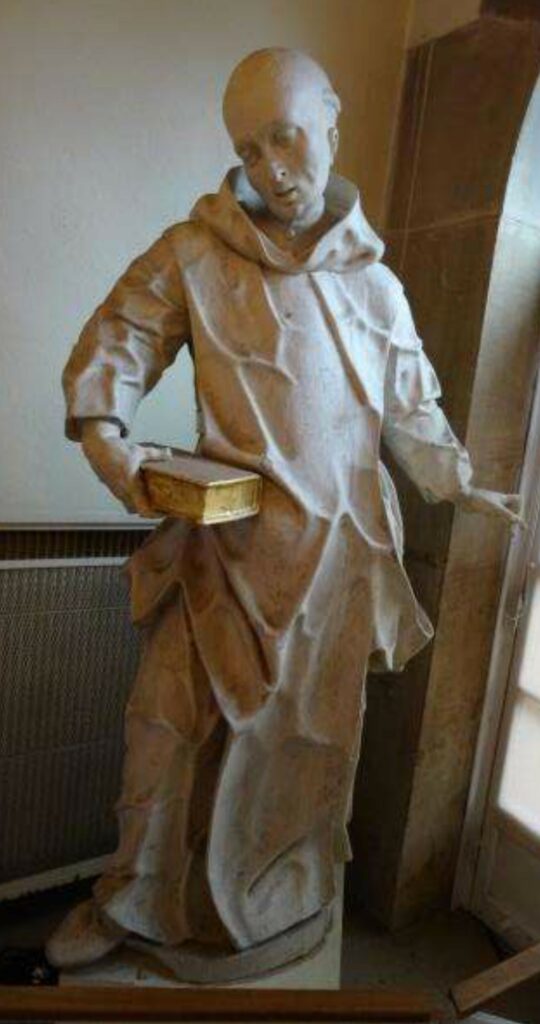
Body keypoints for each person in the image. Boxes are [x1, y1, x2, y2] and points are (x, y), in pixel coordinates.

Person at [46, 48, 522, 975]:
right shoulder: (193, 254)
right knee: (162, 729)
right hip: (220, 553)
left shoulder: (374, 287)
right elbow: (119, 340)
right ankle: (131, 897)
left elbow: (412, 411)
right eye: (248, 149)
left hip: (333, 563)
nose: (271, 167)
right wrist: (107, 440)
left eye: (285, 136)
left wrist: (463, 481)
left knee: (308, 756)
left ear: (331, 118)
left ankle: (279, 904)